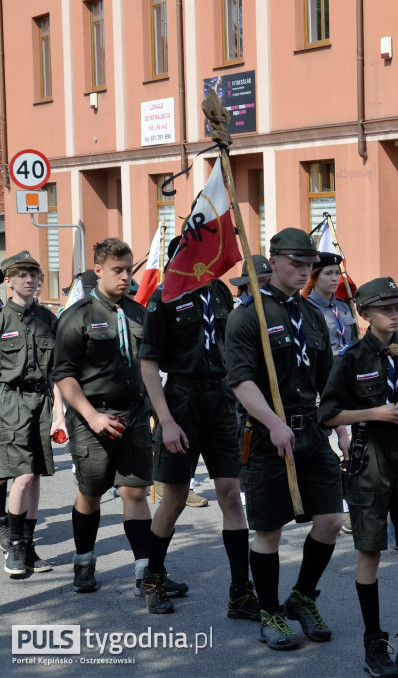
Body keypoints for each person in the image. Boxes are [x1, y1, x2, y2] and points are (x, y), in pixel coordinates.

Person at [320, 276, 398, 678]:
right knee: (371, 552)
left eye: (397, 308)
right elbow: (328, 414)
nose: (395, 315)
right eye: (385, 309)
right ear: (365, 314)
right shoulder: (351, 359)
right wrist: (375, 413)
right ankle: (374, 644)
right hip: (369, 457)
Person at [226, 228, 344, 650]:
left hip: (310, 429)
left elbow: (329, 380)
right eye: (296, 263)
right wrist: (273, 422)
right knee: (270, 532)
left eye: (309, 264)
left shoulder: (312, 315)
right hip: (265, 436)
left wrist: (343, 431)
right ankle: (271, 612)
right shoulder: (247, 315)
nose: (304, 271)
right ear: (273, 262)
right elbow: (240, 381)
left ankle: (302, 597)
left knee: (331, 519)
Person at [53, 238, 187, 598]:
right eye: (118, 270)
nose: (127, 276)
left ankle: (145, 571)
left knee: (135, 490)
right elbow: (64, 374)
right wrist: (91, 416)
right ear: (98, 270)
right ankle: (84, 562)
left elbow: (151, 365)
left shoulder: (139, 313)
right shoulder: (77, 316)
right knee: (91, 492)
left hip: (135, 414)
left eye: (130, 269)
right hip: (93, 415)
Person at [138, 236, 257, 617]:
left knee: (230, 495)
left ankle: (241, 592)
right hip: (182, 401)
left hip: (220, 401)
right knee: (172, 500)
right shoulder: (163, 297)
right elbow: (149, 364)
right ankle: (153, 579)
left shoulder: (220, 292)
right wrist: (167, 422)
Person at [0, 251, 64, 576]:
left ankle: (28, 545)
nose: (30, 279)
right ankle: (13, 544)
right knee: (22, 475)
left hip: (43, 402)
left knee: (37, 474)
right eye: (22, 275)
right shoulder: (2, 320)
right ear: (8, 281)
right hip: (10, 402)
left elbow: (56, 372)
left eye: (34, 274)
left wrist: (61, 415)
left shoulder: (48, 319)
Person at [302, 251, 358, 534]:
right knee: (324, 446)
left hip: (347, 384)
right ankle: (329, 505)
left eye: (337, 273)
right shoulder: (305, 309)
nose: (335, 278)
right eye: (328, 273)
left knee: (351, 447)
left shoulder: (344, 307)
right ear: (314, 277)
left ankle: (349, 505)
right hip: (318, 387)